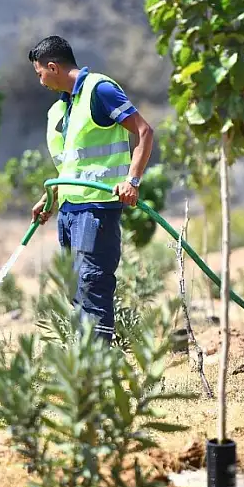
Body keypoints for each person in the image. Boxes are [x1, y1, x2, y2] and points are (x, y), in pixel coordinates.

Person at [28, 35, 155, 344]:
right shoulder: (62, 109)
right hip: (69, 210)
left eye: (39, 72)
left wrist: (132, 180)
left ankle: (98, 371)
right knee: (75, 290)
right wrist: (50, 197)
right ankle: (83, 369)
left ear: (53, 67)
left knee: (92, 285)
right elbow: (72, 165)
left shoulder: (99, 91)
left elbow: (144, 131)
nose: (40, 80)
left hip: (96, 209)